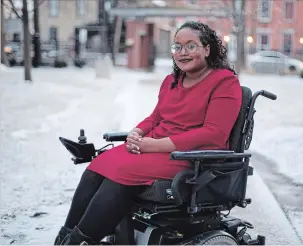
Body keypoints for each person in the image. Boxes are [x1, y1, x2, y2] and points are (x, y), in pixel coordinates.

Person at [54, 21, 242, 245]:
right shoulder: (172, 81)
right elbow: (156, 118)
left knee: (122, 172)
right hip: (158, 149)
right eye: (177, 47)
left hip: (193, 158)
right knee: (99, 165)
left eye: (191, 46)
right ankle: (65, 237)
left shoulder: (224, 82)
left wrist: (151, 145)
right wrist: (137, 132)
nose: (183, 53)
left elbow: (213, 134)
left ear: (207, 49)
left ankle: (80, 241)